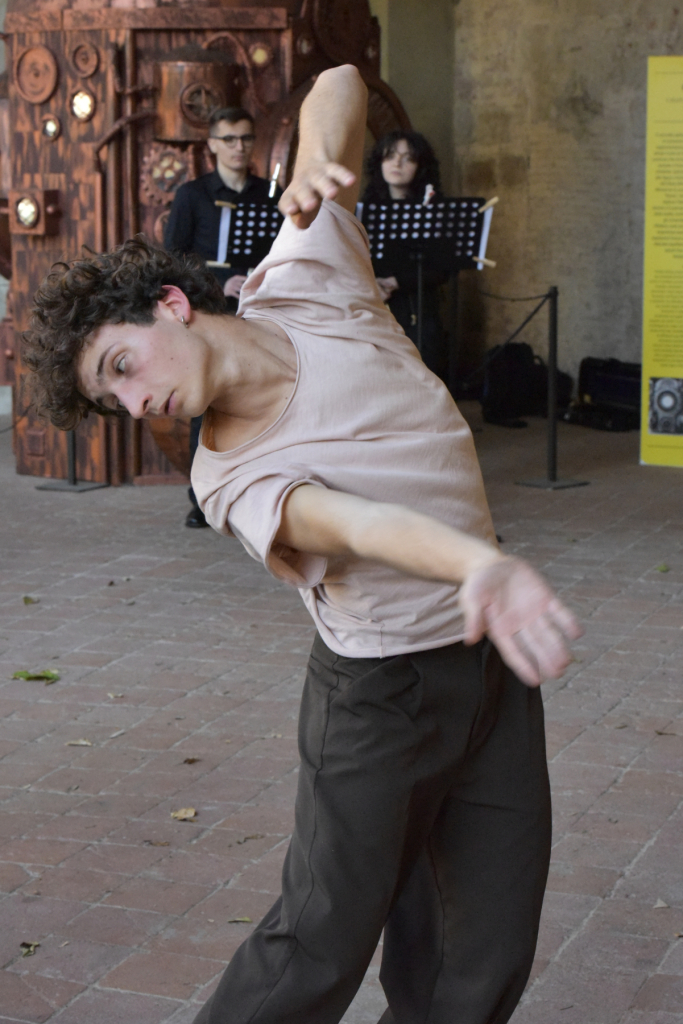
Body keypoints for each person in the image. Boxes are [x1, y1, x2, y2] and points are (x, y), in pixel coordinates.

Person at [23, 66, 582, 1024]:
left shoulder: (307, 280)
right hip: (381, 697)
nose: (137, 401)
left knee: (480, 953)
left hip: (490, 661)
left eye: (122, 367)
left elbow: (339, 82)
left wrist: (318, 163)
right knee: (318, 944)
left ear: (170, 303)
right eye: (114, 400)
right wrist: (480, 564)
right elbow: (355, 524)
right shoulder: (225, 476)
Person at [164, 106, 282, 528]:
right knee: (207, 402)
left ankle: (258, 490)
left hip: (259, 310)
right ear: (212, 145)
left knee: (259, 395)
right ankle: (202, 498)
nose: (238, 147)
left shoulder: (270, 193)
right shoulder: (192, 194)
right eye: (229, 139)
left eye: (246, 138)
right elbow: (173, 261)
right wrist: (219, 281)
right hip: (211, 312)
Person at [363, 131, 451, 381]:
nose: (397, 164)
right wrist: (371, 283)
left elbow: (442, 268)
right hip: (373, 307)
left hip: (417, 308)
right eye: (390, 156)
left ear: (420, 166)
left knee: (419, 377)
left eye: (408, 158)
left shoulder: (432, 209)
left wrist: (397, 281)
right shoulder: (366, 207)